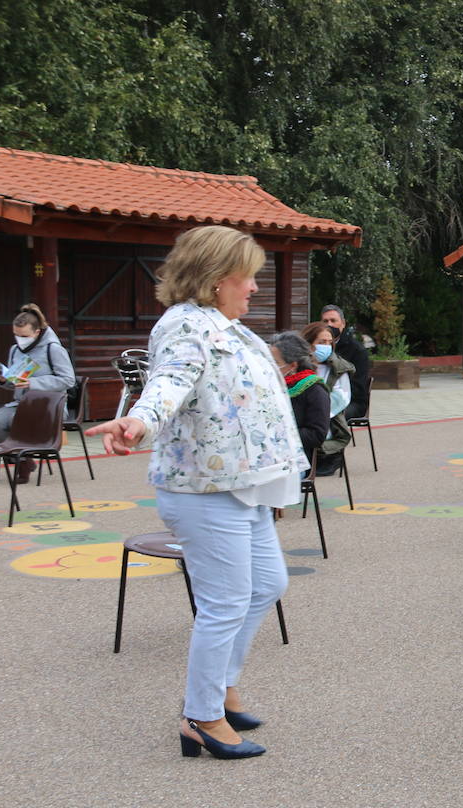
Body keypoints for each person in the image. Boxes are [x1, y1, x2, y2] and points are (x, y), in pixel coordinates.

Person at [87, 226, 306, 760]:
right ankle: (201, 716)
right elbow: (169, 381)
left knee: (266, 584)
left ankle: (221, 689)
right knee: (225, 601)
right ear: (214, 279)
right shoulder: (188, 325)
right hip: (205, 490)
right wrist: (137, 422)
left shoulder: (226, 326)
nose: (254, 287)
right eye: (247, 276)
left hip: (239, 487)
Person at [0, 303, 75, 483]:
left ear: (37, 332)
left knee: (16, 421)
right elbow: (16, 384)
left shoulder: (53, 349)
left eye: (24, 336)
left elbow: (68, 380)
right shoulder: (14, 350)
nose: (20, 340)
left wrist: (33, 382)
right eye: (16, 335)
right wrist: (5, 380)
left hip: (49, 406)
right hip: (22, 404)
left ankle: (22, 464)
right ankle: (24, 460)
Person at [300, 322, 353, 475]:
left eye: (329, 343)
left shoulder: (337, 368)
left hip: (325, 420)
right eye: (322, 342)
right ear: (309, 344)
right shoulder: (297, 366)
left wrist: (316, 411)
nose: (326, 346)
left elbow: (342, 397)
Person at [271, 331, 332, 460]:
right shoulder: (273, 386)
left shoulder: (315, 390)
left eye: (275, 362)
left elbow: (317, 435)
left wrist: (278, 433)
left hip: (297, 459)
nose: (270, 367)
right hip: (272, 454)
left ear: (293, 365)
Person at [321, 305, 371, 421]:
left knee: (323, 416)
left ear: (343, 323)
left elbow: (358, 388)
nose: (329, 324)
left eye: (333, 320)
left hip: (352, 402)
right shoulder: (316, 348)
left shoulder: (357, 351)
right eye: (325, 321)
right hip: (321, 398)